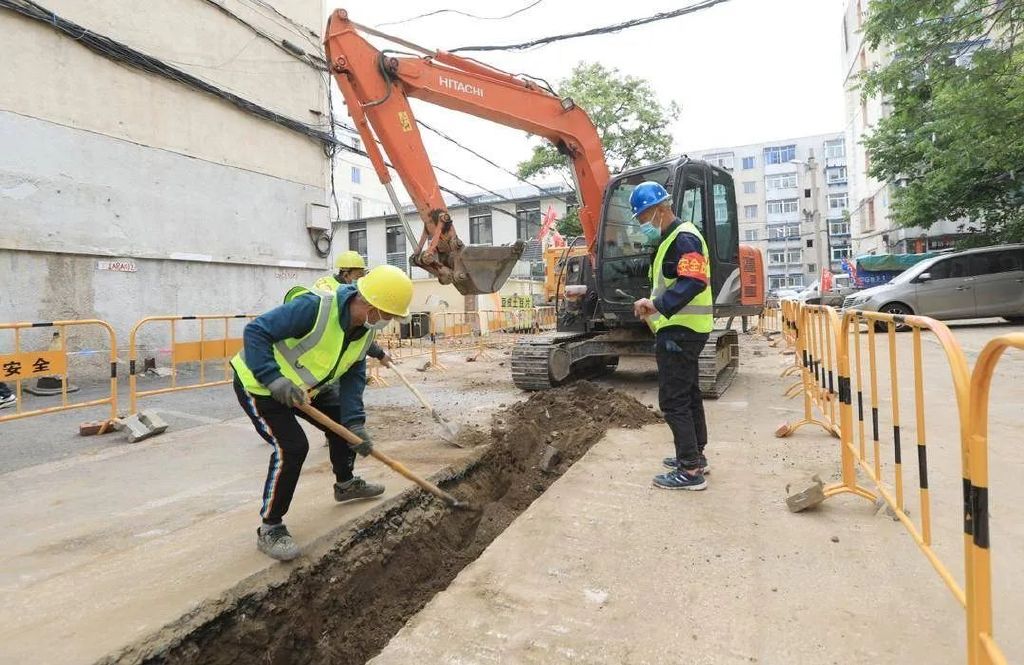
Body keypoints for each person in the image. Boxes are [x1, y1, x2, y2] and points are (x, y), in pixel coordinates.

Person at [231, 265, 413, 561]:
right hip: (260, 385)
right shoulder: (315, 307)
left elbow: (354, 373)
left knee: (342, 424)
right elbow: (256, 331)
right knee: (292, 448)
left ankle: (345, 484)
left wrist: (355, 424)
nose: (389, 321)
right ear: (369, 304)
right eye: (388, 314)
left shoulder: (364, 331)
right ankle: (271, 526)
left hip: (306, 388)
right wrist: (272, 378)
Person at [630, 182, 713, 491]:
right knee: (689, 395)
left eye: (643, 217)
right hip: (682, 328)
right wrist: (654, 304)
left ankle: (690, 471)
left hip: (681, 330)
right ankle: (695, 456)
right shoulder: (672, 239)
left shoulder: (684, 237)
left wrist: (657, 304)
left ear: (660, 209)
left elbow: (694, 280)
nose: (642, 225)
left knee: (674, 399)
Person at [285, 251, 392, 447]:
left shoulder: (354, 294)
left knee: (337, 405)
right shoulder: (333, 292)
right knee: (296, 440)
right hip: (316, 355)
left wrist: (380, 354)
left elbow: (357, 338)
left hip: (330, 356)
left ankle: (339, 445)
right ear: (346, 273)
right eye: (358, 275)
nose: (361, 279)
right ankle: (331, 434)